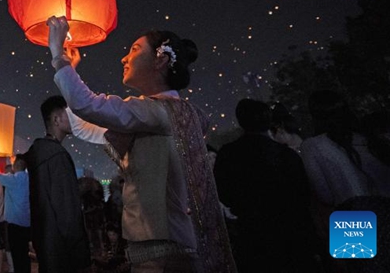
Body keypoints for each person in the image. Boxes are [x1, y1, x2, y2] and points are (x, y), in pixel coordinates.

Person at [46, 16, 236, 272]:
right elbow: (83, 124)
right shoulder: (164, 116)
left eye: (134, 50)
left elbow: (88, 105)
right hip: (167, 243)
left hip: (163, 251)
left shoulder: (158, 112)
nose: (124, 59)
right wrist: (71, 71)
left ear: (161, 60)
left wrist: (58, 56)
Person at [214, 99, 316, 272]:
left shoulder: (229, 154)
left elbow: (223, 192)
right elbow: (304, 192)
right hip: (292, 232)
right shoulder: (287, 155)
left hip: (253, 233)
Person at [301, 91, 390, 230]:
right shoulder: (368, 137)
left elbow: (325, 195)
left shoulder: (312, 146)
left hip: (351, 218)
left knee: (353, 252)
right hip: (385, 210)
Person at [23, 96, 91, 273]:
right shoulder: (57, 156)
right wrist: (81, 253)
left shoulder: (38, 153)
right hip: (63, 250)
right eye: (69, 115)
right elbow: (67, 210)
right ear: (56, 119)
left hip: (46, 244)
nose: (74, 120)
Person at [0, 152, 30, 273]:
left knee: (16, 254)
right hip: (27, 223)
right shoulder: (29, 178)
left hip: (14, 223)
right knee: (24, 254)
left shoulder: (13, 179)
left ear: (17, 164)